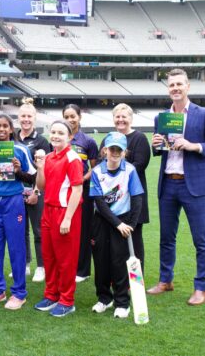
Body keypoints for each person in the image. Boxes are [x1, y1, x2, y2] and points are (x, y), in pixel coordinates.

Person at [147, 68, 205, 306]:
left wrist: (194, 146)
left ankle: (201, 287)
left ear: (188, 86)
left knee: (201, 239)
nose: (175, 88)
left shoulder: (203, 114)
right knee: (166, 238)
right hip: (169, 184)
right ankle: (165, 280)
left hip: (195, 186)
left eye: (179, 84)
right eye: (172, 85)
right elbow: (159, 151)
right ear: (168, 89)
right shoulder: (161, 117)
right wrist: (155, 143)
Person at [0, 115, 36, 310]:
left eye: (5, 126)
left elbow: (32, 177)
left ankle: (19, 293)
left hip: (13, 201)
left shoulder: (20, 149)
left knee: (16, 247)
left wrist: (18, 170)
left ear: (11, 129)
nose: (2, 129)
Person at [89, 132, 144, 319]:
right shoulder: (96, 171)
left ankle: (122, 302)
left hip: (123, 220)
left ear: (124, 152)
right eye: (111, 148)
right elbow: (99, 202)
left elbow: (137, 198)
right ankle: (104, 298)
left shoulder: (130, 170)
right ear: (105, 150)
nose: (114, 152)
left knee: (119, 263)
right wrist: (118, 223)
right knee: (101, 261)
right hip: (102, 221)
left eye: (118, 149)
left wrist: (131, 225)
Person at [33, 120, 83, 317]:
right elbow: (42, 185)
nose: (55, 135)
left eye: (60, 133)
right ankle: (51, 294)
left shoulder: (72, 158)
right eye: (52, 132)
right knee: (49, 257)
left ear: (69, 137)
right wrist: (40, 167)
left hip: (65, 212)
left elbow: (77, 190)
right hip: (48, 210)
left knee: (66, 259)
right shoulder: (50, 157)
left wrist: (68, 218)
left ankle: (67, 300)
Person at [100, 103, 151, 272]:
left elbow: (139, 165)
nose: (120, 120)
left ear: (131, 118)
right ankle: (119, 278)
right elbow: (102, 165)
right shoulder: (107, 139)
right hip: (112, 200)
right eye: (117, 116)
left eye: (124, 116)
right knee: (114, 242)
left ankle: (135, 279)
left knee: (134, 239)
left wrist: (117, 173)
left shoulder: (139, 138)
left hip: (133, 199)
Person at [16, 98, 51, 282]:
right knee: (20, 230)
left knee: (38, 230)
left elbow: (43, 170)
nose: (26, 119)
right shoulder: (12, 138)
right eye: (23, 116)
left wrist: (36, 192)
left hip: (37, 191)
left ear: (35, 119)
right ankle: (24, 264)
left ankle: (41, 266)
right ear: (18, 118)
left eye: (29, 116)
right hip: (16, 192)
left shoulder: (42, 141)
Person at [62, 104, 98, 283]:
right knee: (66, 228)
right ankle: (68, 265)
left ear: (79, 117)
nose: (70, 120)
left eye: (72, 116)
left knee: (84, 230)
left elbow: (96, 167)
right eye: (66, 117)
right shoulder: (59, 139)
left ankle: (83, 270)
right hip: (63, 191)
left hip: (83, 190)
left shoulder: (88, 141)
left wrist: (82, 179)